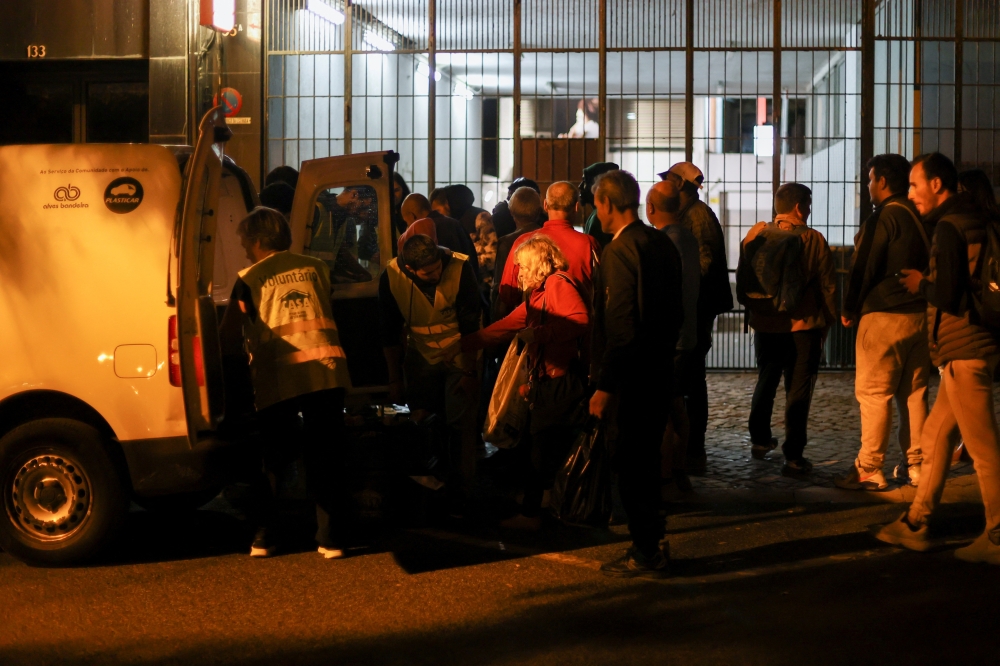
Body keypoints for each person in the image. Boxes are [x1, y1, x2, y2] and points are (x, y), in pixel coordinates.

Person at [876, 153, 1000, 565]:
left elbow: (947, 293)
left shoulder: (949, 226)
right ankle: (917, 521)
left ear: (936, 184)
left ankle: (997, 533)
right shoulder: (976, 219)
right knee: (933, 438)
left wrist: (919, 282)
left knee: (982, 450)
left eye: (914, 185)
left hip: (963, 349)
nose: (910, 194)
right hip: (970, 347)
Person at [217, 207, 353, 559]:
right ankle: (332, 539)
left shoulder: (251, 277)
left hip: (280, 376)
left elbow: (229, 334)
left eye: (246, 240)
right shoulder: (317, 268)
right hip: (326, 370)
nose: (245, 248)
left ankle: (266, 537)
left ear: (260, 240)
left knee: (275, 460)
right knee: (327, 455)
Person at [452, 236, 589, 530]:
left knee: (539, 447)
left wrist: (539, 335)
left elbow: (579, 319)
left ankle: (532, 514)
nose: (519, 274)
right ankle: (543, 505)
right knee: (540, 445)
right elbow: (505, 327)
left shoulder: (555, 285)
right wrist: (462, 344)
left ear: (538, 264)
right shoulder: (540, 293)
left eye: (523, 267)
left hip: (559, 380)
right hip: (550, 379)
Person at [589, 170, 682, 578]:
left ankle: (646, 550)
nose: (596, 211)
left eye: (596, 203)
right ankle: (654, 539)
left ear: (608, 203)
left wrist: (606, 385)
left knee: (632, 465)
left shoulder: (619, 250)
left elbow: (621, 325)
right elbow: (676, 308)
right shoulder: (660, 241)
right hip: (660, 365)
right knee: (647, 461)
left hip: (634, 375)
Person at [836, 154, 930, 491]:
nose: (868, 186)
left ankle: (869, 467)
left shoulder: (883, 218)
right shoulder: (921, 216)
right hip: (919, 315)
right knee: (915, 394)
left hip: (884, 315)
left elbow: (864, 266)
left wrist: (849, 307)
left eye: (870, 179)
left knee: (874, 393)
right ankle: (916, 465)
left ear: (883, 182)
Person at [379, 233, 482, 515]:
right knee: (425, 424)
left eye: (438, 268)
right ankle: (432, 489)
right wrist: (394, 379)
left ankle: (463, 494)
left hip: (460, 357)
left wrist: (470, 370)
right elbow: (388, 331)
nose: (436, 274)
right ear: (410, 269)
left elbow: (471, 323)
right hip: (421, 358)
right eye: (429, 273)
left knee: (461, 426)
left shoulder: (459, 267)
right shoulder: (392, 275)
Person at [743, 183, 837, 478]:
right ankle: (793, 457)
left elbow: (746, 277)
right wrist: (829, 321)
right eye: (808, 204)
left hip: (766, 322)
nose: (809, 210)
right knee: (798, 390)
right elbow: (828, 286)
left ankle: (759, 440)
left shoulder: (755, 234)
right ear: (800, 207)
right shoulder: (813, 239)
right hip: (802, 326)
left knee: (766, 379)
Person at [660, 162, 733, 474]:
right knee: (691, 377)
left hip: (698, 307)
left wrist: (682, 289)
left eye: (670, 179)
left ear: (681, 184)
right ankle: (691, 447)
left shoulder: (696, 215)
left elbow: (702, 261)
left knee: (691, 377)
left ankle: (693, 447)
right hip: (698, 305)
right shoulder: (691, 211)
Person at [646, 179, 699, 498]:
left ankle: (665, 477)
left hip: (669, 339)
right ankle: (679, 472)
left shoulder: (664, 241)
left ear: (650, 208)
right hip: (687, 334)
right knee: (677, 406)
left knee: (662, 410)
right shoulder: (687, 237)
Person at [496, 182, 601, 317]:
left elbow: (508, 295)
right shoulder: (589, 244)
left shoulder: (523, 242)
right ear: (576, 207)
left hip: (533, 327)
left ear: (545, 205)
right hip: (578, 330)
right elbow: (600, 291)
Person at [491, 187, 545, 321]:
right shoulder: (548, 237)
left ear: (511, 212)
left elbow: (500, 287)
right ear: (539, 211)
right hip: (544, 308)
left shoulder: (507, 242)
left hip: (515, 312)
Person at [400, 192, 479, 275]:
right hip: (466, 280)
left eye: (406, 222)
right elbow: (472, 258)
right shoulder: (455, 223)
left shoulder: (423, 233)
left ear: (412, 216)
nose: (408, 226)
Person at [580, 162, 619, 250]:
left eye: (585, 181)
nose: (580, 186)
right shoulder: (596, 214)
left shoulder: (599, 217)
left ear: (597, 186)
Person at [392, 172, 412, 237]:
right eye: (390, 191)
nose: (393, 195)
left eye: (396, 190)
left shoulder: (411, 211)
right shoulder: (377, 214)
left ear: (403, 190)